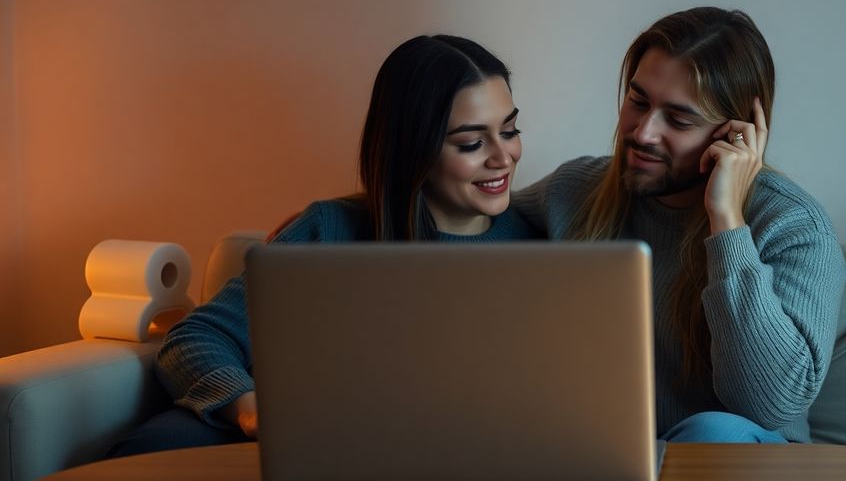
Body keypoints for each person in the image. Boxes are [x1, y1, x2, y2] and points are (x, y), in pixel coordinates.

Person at [108, 34, 540, 457]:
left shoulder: (538, 244)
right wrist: (250, 408)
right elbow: (196, 336)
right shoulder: (329, 229)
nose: (504, 158)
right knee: (152, 450)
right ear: (413, 149)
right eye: (471, 143)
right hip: (272, 436)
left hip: (404, 448)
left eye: (509, 129)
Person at [513, 7, 846, 443]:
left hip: (742, 459)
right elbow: (467, 236)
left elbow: (770, 406)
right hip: (602, 452)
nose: (644, 132)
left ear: (734, 134)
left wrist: (726, 222)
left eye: (679, 119)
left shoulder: (794, 227)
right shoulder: (575, 191)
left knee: (716, 431)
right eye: (638, 101)